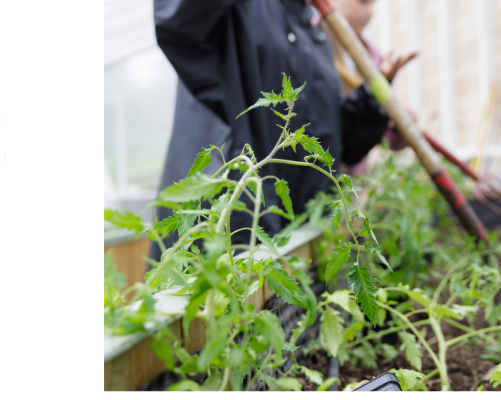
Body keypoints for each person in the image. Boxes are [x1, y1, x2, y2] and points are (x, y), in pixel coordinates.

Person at [150, 0, 405, 261]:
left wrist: (371, 101)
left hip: (292, 236)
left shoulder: (312, 34)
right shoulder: (239, 10)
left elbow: (335, 141)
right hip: (225, 223)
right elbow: (177, 19)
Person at [326, 0, 417, 176]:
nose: (370, 12)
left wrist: (395, 122)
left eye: (373, 5)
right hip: (320, 168)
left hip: (352, 177)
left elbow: (375, 132)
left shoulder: (372, 57)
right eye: (363, 2)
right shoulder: (314, 45)